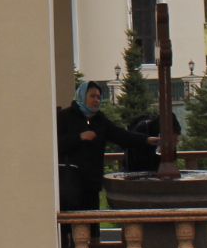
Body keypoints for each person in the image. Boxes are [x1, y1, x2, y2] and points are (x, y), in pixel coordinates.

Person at [57, 79, 156, 218]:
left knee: (92, 222)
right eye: (92, 96)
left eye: (98, 97)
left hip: (91, 183)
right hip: (70, 182)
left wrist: (146, 139)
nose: (96, 100)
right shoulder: (65, 117)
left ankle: (94, 241)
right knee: (70, 224)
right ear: (82, 96)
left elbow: (120, 135)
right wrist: (79, 137)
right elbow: (56, 144)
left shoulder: (99, 120)